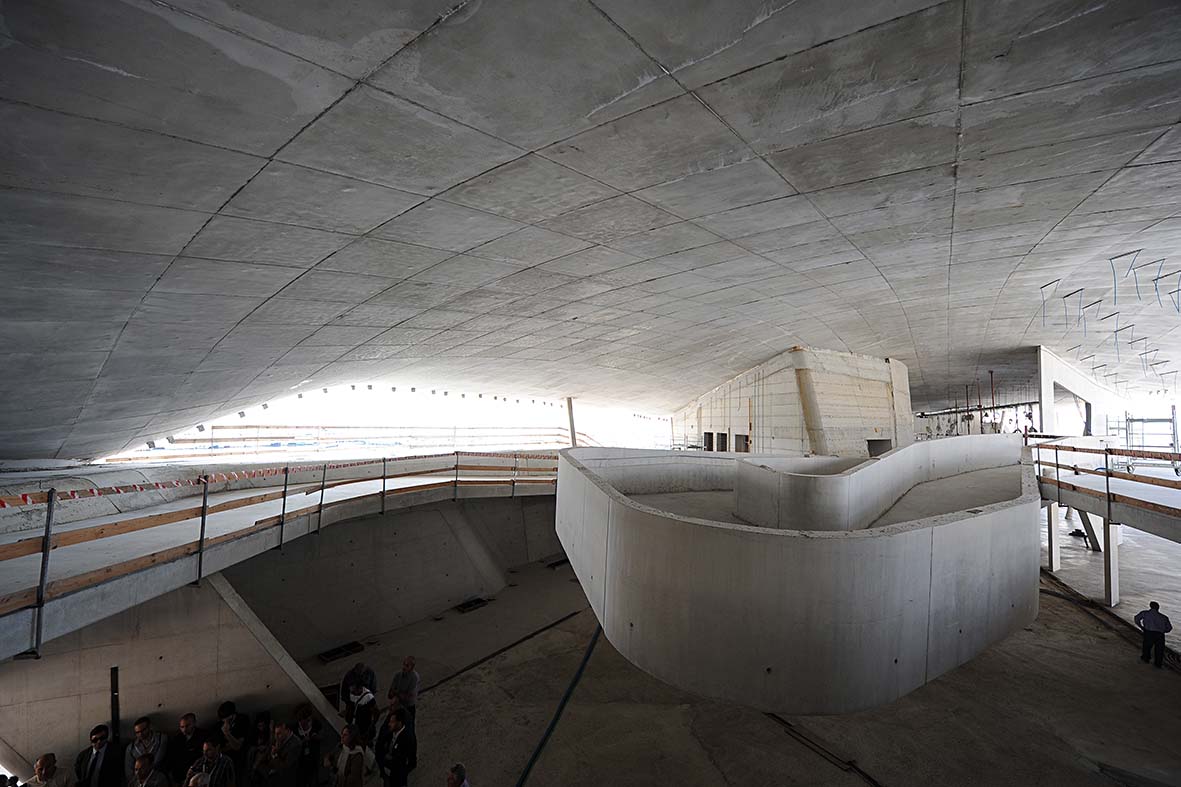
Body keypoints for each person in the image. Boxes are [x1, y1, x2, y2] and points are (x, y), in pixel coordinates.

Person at [373, 709, 415, 787]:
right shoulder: (389, 734)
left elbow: (403, 759)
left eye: (392, 722)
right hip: (387, 772)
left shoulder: (407, 738)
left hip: (398, 775)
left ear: (399, 723)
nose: (389, 724)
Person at [124, 718, 168, 785]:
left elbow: (158, 761)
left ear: (149, 727)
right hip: (139, 781)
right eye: (137, 732)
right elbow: (129, 770)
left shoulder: (160, 739)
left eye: (143, 730)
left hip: (158, 778)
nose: (140, 734)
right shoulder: (131, 748)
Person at [257, 721, 300, 787]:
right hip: (270, 777)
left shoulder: (295, 744)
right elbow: (262, 761)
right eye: (275, 733)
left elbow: (285, 769)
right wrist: (269, 772)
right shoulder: (276, 739)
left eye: (279, 733)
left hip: (285, 781)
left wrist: (274, 755)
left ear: (287, 731)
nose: (276, 736)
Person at [169, 714, 207, 785]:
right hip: (181, 774)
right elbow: (173, 758)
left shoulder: (203, 736)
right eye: (182, 727)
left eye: (187, 726)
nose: (184, 729)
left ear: (194, 723)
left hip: (198, 772)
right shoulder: (177, 739)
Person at [1135, 600, 1173, 668]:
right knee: (1159, 649)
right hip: (1160, 635)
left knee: (1147, 647)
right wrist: (1163, 631)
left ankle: (1146, 659)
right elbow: (1169, 628)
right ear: (1158, 608)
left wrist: (1141, 627)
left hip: (1149, 632)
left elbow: (1137, 619)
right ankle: (1158, 663)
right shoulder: (1164, 617)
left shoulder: (1145, 613)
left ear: (1150, 606)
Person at [217, 703, 251, 773]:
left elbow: (237, 746)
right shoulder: (220, 724)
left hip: (240, 755)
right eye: (223, 719)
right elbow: (220, 747)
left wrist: (227, 733)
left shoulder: (242, 720)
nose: (225, 721)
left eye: (227, 719)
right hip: (225, 755)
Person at [292, 706, 322, 787]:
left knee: (313, 781)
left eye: (309, 720)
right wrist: (303, 741)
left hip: (313, 760)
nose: (308, 722)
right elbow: (293, 747)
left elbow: (323, 737)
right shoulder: (295, 729)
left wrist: (316, 737)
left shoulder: (316, 725)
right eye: (305, 720)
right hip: (300, 762)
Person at [386, 658, 419, 724]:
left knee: (409, 726)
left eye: (407, 666)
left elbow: (407, 697)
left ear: (412, 668)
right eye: (404, 664)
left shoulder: (414, 677)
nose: (404, 667)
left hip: (408, 707)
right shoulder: (398, 675)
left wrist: (396, 693)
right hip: (397, 706)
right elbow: (390, 694)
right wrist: (398, 694)